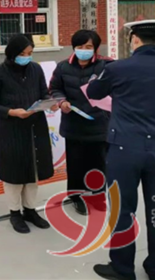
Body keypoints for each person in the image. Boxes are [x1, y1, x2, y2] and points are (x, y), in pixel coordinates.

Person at [87, 20, 155, 280]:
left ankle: (122, 268)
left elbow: (94, 91)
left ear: (135, 39)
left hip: (124, 148)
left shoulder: (117, 68)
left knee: (122, 209)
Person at [0, 34, 58, 234]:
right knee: (14, 174)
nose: (27, 57)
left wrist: (50, 103)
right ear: (12, 53)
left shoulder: (36, 69)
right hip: (11, 128)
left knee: (34, 171)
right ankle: (15, 213)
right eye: (22, 54)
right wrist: (11, 112)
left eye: (30, 53)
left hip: (35, 126)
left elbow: (43, 92)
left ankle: (30, 210)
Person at [49, 30, 112, 215]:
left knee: (98, 163)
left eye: (88, 47)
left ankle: (97, 196)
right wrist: (62, 102)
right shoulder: (62, 67)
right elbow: (54, 88)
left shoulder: (107, 65)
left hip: (100, 123)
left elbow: (118, 88)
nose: (83, 50)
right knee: (76, 164)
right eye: (80, 46)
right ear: (73, 47)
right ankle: (77, 197)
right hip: (74, 123)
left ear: (95, 48)